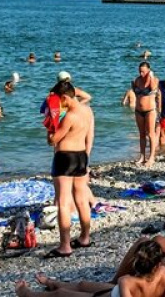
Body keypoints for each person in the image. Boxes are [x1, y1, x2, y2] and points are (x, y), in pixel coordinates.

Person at [16, 240, 165, 297]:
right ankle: (51, 282)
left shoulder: (126, 281)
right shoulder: (164, 273)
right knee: (83, 285)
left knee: (61, 294)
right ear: (158, 264)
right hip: (113, 292)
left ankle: (26, 294)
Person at [45, 82, 95, 258]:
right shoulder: (87, 110)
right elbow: (89, 134)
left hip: (65, 157)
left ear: (65, 97)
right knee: (82, 199)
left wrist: (49, 128)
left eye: (60, 100)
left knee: (64, 202)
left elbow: (53, 140)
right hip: (81, 156)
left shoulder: (70, 116)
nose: (59, 104)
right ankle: (85, 237)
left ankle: (65, 245)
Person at [132, 62, 160, 167]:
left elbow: (152, 88)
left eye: (143, 71)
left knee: (151, 133)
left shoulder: (155, 80)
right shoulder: (137, 80)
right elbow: (136, 93)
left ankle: (151, 157)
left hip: (150, 111)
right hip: (138, 110)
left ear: (149, 70)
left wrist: (150, 76)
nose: (141, 73)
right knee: (142, 134)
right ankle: (142, 156)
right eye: (139, 71)